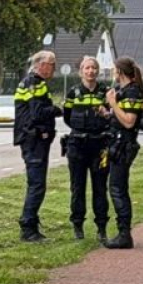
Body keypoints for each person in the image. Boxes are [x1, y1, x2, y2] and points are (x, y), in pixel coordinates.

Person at [60, 56, 113, 242]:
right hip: (77, 145)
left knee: (100, 187)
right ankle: (78, 226)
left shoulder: (106, 92)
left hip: (100, 146)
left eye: (94, 68)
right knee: (77, 187)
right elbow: (67, 117)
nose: (91, 71)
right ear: (81, 71)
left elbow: (113, 116)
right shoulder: (73, 92)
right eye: (87, 68)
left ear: (98, 71)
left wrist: (105, 115)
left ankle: (101, 228)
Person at [13, 50, 60, 242]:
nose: (54, 68)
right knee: (37, 184)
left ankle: (31, 222)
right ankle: (28, 226)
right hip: (33, 139)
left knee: (37, 183)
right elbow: (38, 112)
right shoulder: (34, 83)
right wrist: (58, 109)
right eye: (52, 64)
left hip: (34, 139)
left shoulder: (33, 82)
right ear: (41, 65)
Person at [102, 58, 143, 250]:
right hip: (117, 144)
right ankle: (122, 232)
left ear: (120, 72)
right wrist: (108, 113)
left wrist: (113, 104)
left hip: (124, 146)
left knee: (117, 189)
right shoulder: (125, 91)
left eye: (114, 70)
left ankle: (124, 234)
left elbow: (129, 121)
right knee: (117, 187)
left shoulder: (132, 92)